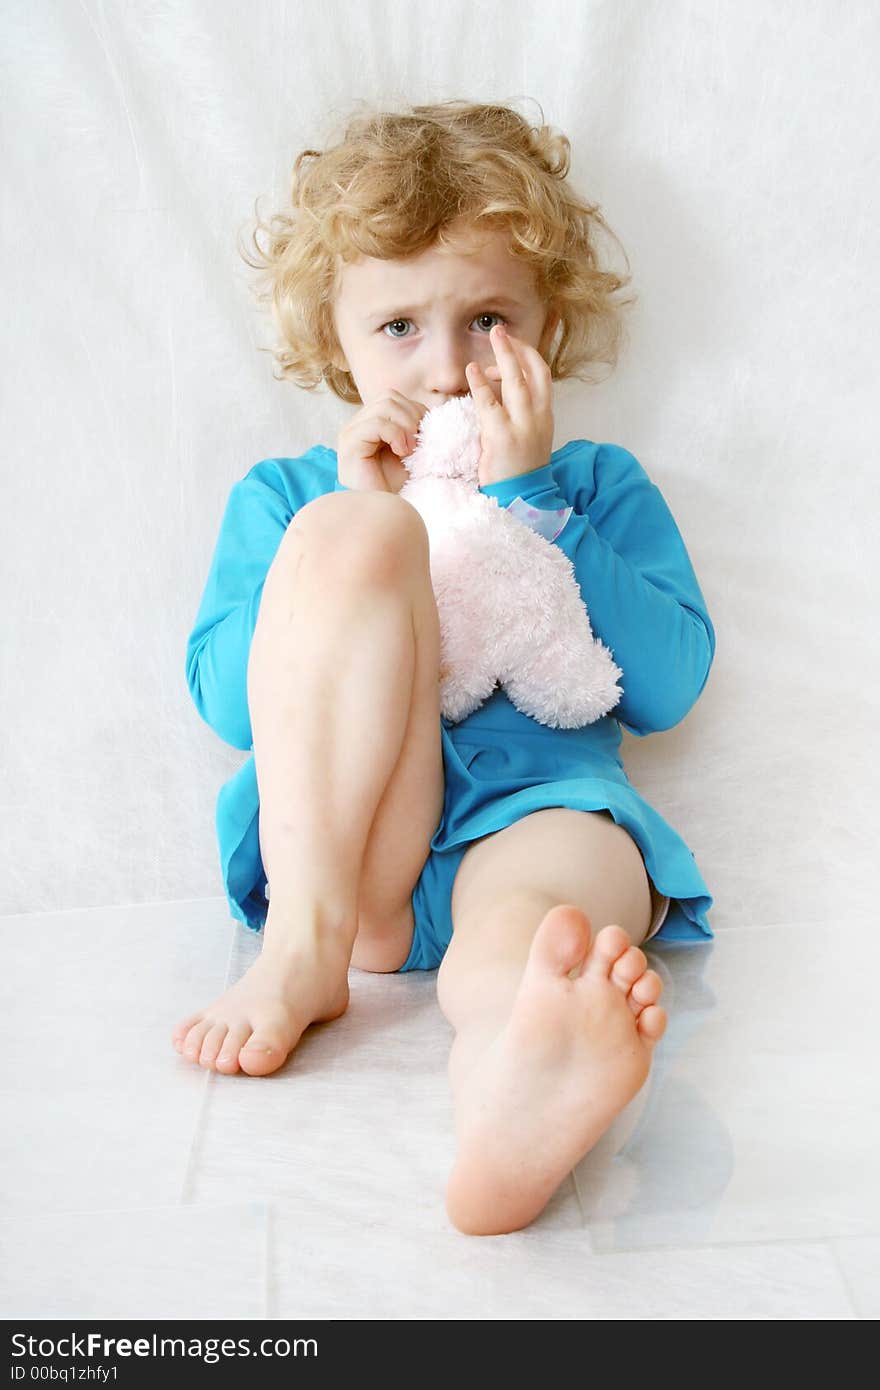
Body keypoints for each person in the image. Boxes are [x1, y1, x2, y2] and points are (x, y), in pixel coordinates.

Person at [172, 99, 716, 1237]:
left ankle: (516, 1099)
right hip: (359, 849)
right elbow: (233, 704)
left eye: (484, 320)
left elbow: (667, 682)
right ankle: (302, 954)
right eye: (399, 328)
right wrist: (349, 515)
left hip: (540, 810)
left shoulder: (594, 483)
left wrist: (535, 500)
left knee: (534, 946)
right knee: (356, 544)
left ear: (546, 329)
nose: (447, 366)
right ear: (336, 341)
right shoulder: (288, 497)